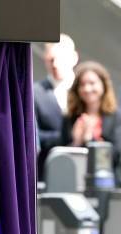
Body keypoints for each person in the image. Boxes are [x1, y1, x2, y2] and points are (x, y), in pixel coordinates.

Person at [60, 61, 121, 186]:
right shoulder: (70, 117)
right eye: (82, 84)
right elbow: (62, 154)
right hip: (74, 181)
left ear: (103, 85)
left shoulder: (117, 116)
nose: (87, 89)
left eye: (92, 83)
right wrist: (76, 142)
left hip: (107, 183)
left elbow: (115, 155)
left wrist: (90, 139)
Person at [34, 34, 79, 180]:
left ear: (74, 58)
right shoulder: (34, 92)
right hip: (47, 172)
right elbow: (33, 135)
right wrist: (68, 137)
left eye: (61, 58)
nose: (55, 64)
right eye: (51, 60)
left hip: (81, 171)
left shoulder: (86, 89)